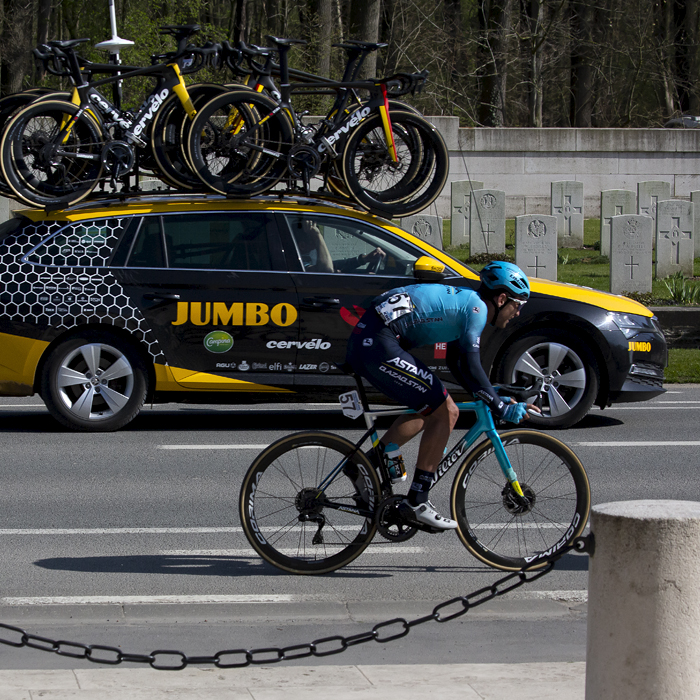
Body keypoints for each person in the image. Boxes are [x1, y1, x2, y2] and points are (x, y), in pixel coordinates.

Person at [345, 261, 539, 530]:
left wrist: (489, 395)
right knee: (447, 411)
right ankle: (417, 501)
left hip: (375, 339)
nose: (517, 312)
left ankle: (363, 466)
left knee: (433, 408)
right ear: (502, 298)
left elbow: (455, 363)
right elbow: (471, 365)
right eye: (518, 305)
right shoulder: (478, 309)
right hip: (378, 341)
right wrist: (500, 408)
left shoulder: (468, 303)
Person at [293, 219, 386, 273]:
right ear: (302, 246)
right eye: (314, 241)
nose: (318, 245)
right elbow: (326, 270)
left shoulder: (306, 255)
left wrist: (363, 259)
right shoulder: (296, 262)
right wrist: (317, 236)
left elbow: (333, 265)